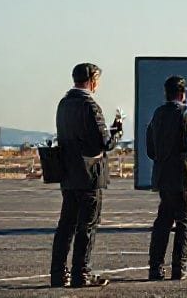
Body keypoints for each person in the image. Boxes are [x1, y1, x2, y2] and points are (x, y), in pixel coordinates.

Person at [50, 62, 122, 288]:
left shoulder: (64, 104)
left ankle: (58, 273)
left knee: (66, 225)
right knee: (87, 225)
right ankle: (82, 272)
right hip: (89, 173)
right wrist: (116, 131)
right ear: (92, 80)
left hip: (68, 173)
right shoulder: (90, 105)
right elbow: (104, 142)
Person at [146, 75, 187, 281]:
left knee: (163, 221)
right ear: (183, 94)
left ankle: (155, 268)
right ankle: (179, 267)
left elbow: (150, 149)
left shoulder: (157, 115)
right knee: (184, 222)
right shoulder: (186, 115)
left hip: (163, 176)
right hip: (183, 176)